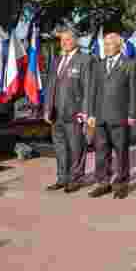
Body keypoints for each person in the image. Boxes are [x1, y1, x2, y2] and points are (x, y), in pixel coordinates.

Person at [86, 22, 136, 199]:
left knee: (121, 151)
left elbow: (134, 91)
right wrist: (91, 114)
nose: (107, 47)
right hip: (100, 117)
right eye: (105, 44)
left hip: (120, 116)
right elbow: (93, 91)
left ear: (118, 46)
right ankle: (103, 182)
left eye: (110, 44)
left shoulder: (129, 64)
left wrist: (132, 114)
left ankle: (122, 184)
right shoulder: (99, 65)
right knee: (101, 152)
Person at [44, 27, 92, 194]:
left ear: (76, 41)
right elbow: (50, 86)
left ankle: (75, 179)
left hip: (75, 112)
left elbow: (88, 88)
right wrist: (47, 109)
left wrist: (85, 112)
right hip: (56, 113)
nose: (64, 43)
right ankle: (62, 178)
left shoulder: (85, 60)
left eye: (68, 40)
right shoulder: (56, 60)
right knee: (60, 147)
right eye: (62, 40)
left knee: (76, 147)